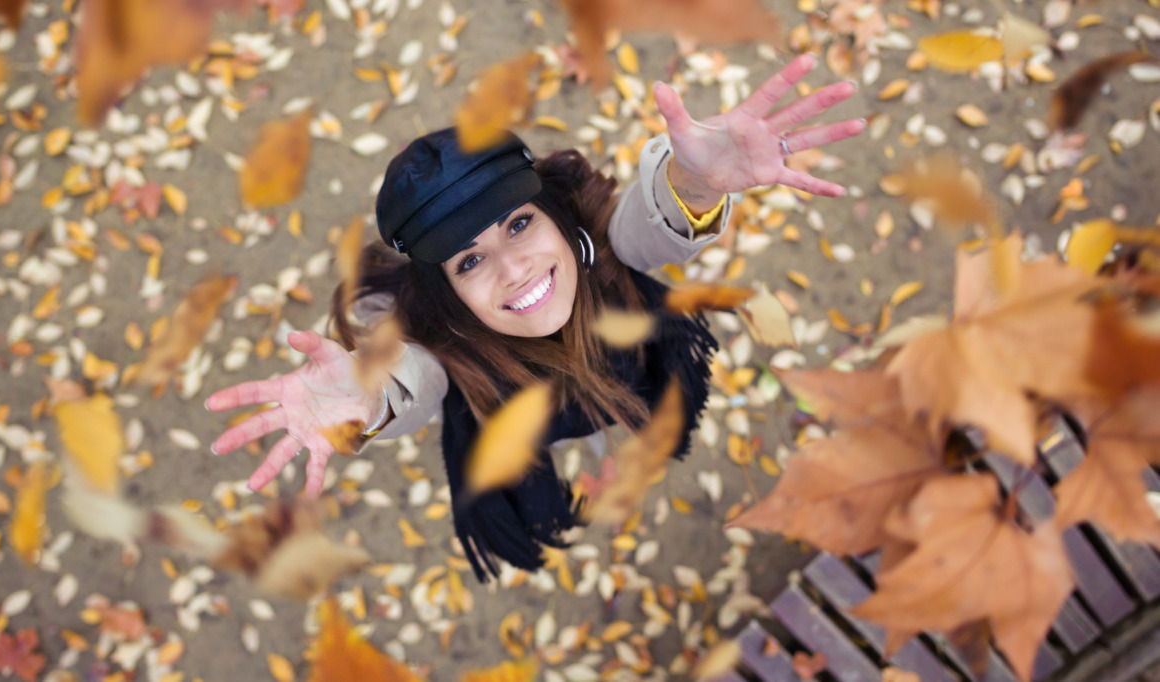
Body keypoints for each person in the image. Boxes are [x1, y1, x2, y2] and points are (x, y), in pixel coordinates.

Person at [205, 53, 865, 580]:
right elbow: (415, 376)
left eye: (519, 223)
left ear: (554, 213)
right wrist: (367, 394)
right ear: (441, 293)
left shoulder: (598, 239)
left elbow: (644, 231)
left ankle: (614, 441)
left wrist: (694, 186)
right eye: (468, 261)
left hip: (625, 369)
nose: (514, 269)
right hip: (519, 421)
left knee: (623, 418)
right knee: (564, 438)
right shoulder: (438, 341)